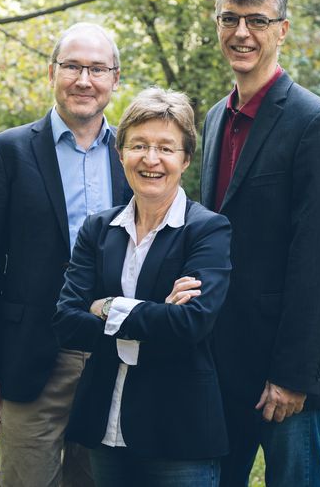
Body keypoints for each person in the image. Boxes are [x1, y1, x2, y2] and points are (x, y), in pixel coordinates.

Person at [200, 0, 320, 486]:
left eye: (257, 21)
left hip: (286, 373)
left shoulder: (316, 122)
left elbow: (319, 263)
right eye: (230, 18)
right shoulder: (215, 119)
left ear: (282, 29)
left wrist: (290, 376)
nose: (242, 33)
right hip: (222, 362)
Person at [0, 22, 132, 487]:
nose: (84, 79)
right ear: (51, 71)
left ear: (115, 79)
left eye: (97, 68)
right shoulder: (9, 151)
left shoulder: (133, 155)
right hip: (31, 357)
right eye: (73, 66)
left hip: (109, 357)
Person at [53, 87, 232, 487]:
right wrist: (156, 313)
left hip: (178, 428)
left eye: (166, 148)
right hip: (106, 424)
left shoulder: (207, 230)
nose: (151, 159)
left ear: (185, 159)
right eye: (139, 145)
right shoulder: (98, 229)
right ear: (121, 154)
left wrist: (106, 306)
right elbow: (66, 321)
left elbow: (191, 324)